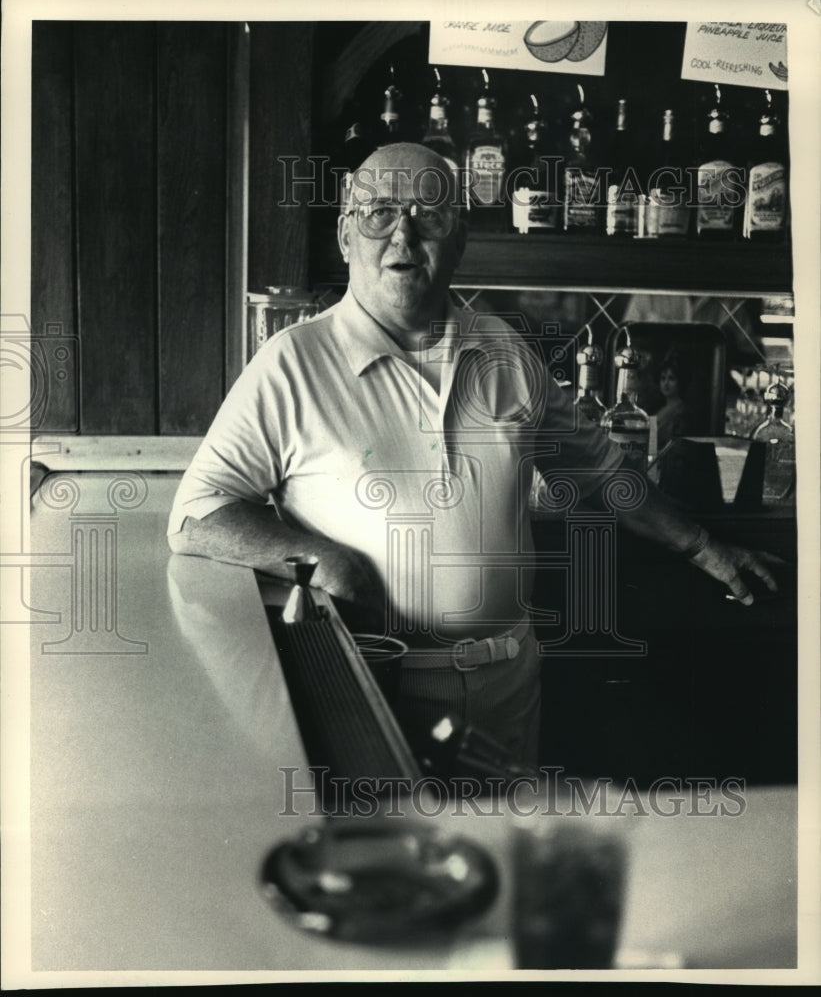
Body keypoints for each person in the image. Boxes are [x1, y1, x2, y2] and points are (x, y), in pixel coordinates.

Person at [167, 143, 777, 768]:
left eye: (428, 214)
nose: (402, 233)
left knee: (504, 857)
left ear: (458, 240)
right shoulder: (292, 363)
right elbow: (194, 514)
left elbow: (604, 473)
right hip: (377, 684)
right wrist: (326, 559)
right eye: (378, 212)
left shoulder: (506, 351)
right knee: (403, 857)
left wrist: (703, 546)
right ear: (347, 235)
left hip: (508, 684)